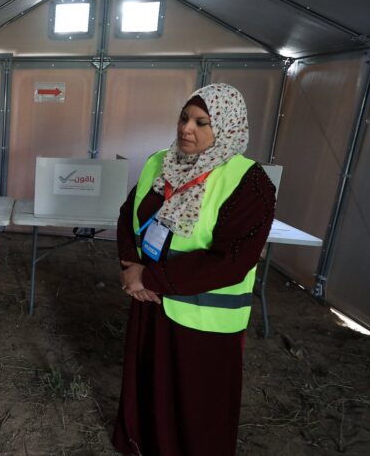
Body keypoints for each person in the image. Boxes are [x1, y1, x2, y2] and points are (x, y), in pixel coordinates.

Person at [113, 83, 276, 456]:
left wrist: (149, 277)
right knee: (150, 385)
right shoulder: (161, 162)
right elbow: (128, 215)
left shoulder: (249, 182)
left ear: (228, 126)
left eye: (202, 122)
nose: (187, 128)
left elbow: (231, 260)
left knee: (195, 404)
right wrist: (130, 265)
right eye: (184, 118)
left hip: (203, 319)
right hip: (151, 303)